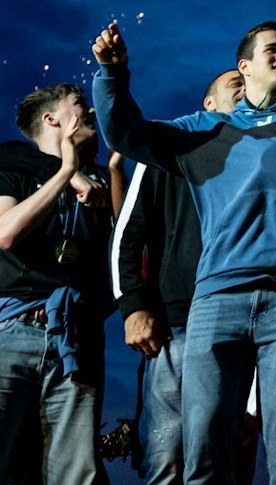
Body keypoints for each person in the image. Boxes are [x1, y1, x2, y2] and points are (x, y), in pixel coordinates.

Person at [91, 21, 276, 485]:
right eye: (272, 49)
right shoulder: (202, 130)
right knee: (203, 445)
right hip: (214, 303)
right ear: (244, 66)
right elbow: (125, 133)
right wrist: (112, 73)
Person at [0, 84, 114, 484]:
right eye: (80, 104)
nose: (91, 111)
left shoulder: (103, 184)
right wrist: (65, 174)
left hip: (75, 334)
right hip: (9, 328)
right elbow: (4, 232)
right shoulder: (10, 176)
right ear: (51, 118)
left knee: (78, 469)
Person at [110, 69, 245, 485]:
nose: (244, 86)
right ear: (208, 103)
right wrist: (133, 306)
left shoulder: (268, 152)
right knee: (166, 453)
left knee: (233, 454)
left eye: (247, 81)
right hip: (178, 324)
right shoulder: (169, 147)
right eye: (233, 83)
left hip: (247, 324)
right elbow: (127, 234)